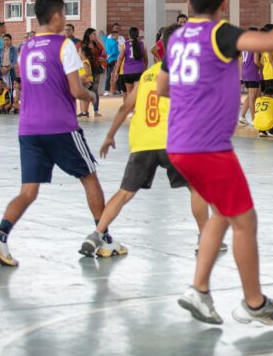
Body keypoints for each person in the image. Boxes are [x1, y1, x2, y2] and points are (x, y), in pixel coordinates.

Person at [157, 0, 273, 325]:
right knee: (245, 221)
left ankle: (199, 289)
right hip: (207, 146)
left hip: (179, 143)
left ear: (188, 4)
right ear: (223, 4)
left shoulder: (179, 37)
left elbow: (163, 86)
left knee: (224, 214)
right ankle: (254, 303)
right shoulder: (221, 33)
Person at [0, 0, 122, 267]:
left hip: (28, 128)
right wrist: (92, 96)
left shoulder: (26, 47)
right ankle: (104, 238)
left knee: (28, 191)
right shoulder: (64, 45)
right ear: (57, 16)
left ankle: (0, 236)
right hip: (60, 126)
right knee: (89, 177)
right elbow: (74, 89)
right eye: (65, 14)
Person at [80, 23, 221, 257]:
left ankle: (96, 234)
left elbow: (126, 106)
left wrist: (109, 135)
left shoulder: (147, 75)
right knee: (197, 188)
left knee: (125, 193)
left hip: (143, 141)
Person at [238, 27, 263, 126]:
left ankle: (242, 117)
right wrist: (263, 67)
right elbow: (257, 61)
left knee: (250, 96)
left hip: (245, 72)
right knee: (253, 97)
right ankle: (254, 120)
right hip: (252, 72)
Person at [114, 27, 147, 97]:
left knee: (129, 94)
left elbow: (120, 59)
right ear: (138, 35)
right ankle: (137, 108)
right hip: (139, 71)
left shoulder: (125, 44)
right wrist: (145, 70)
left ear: (129, 35)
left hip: (127, 72)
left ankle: (131, 108)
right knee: (137, 94)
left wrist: (116, 72)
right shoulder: (142, 44)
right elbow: (146, 59)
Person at [81, 28, 106, 117]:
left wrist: (102, 59)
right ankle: (84, 111)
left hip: (96, 69)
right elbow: (82, 56)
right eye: (93, 34)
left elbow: (104, 52)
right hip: (87, 69)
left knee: (95, 90)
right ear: (88, 35)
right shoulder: (83, 45)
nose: (95, 36)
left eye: (95, 34)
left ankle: (95, 110)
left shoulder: (97, 44)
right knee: (86, 89)